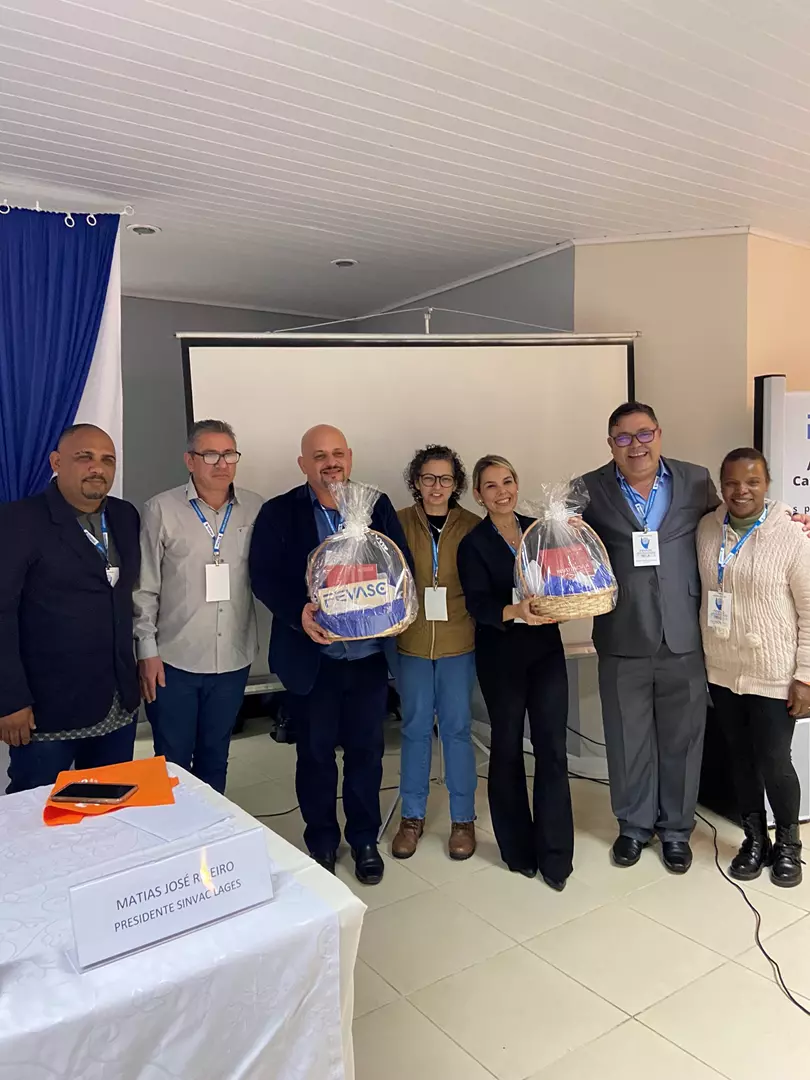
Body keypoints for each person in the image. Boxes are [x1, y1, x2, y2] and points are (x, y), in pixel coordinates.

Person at [249, 425, 412, 885]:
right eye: (319, 455)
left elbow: (401, 566)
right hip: (312, 659)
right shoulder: (279, 512)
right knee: (315, 755)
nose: (330, 462)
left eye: (337, 453)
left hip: (368, 658)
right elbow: (263, 576)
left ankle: (363, 839)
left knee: (367, 753)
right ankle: (321, 840)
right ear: (303, 464)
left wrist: (395, 608)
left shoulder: (375, 505)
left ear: (350, 457)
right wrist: (297, 612)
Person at [581, 402, 720, 874]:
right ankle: (634, 826)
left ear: (659, 434)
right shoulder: (588, 489)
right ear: (610, 444)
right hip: (622, 633)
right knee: (627, 737)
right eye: (623, 437)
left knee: (684, 738)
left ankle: (677, 830)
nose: (635, 445)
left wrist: (783, 521)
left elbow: (729, 527)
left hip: (684, 633)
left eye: (644, 434)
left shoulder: (696, 480)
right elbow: (568, 548)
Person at [0, 424, 141, 792]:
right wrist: (10, 700)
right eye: (85, 457)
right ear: (56, 462)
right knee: (38, 813)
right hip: (47, 711)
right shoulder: (18, 521)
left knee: (109, 809)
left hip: (116, 704)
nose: (98, 468)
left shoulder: (125, 516)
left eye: (108, 460)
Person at [457, 455, 574, 891]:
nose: (501, 491)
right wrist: (516, 610)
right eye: (490, 486)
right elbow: (478, 605)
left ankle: (556, 855)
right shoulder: (472, 544)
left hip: (546, 652)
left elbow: (563, 578)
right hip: (501, 656)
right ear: (478, 495)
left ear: (517, 483)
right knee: (506, 748)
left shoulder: (540, 531)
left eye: (507, 482)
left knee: (553, 749)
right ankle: (517, 849)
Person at [697, 448, 810, 887]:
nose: (741, 491)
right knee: (740, 758)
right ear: (720, 485)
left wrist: (805, 676)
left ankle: (788, 846)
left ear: (767, 484)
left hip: (774, 672)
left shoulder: (792, 535)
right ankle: (755, 839)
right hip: (723, 669)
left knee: (774, 760)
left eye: (752, 482)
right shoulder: (707, 529)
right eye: (731, 482)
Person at [133, 420, 263, 795]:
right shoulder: (161, 509)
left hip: (233, 657)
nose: (222, 464)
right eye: (210, 455)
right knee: (172, 760)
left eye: (229, 454)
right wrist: (146, 651)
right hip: (174, 661)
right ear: (190, 460)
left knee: (216, 756)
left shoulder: (255, 508)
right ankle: (174, 828)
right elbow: (144, 588)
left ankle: (211, 826)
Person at [392, 445, 480, 860]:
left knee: (457, 730)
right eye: (428, 478)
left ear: (456, 483)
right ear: (416, 482)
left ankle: (463, 819)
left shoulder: (473, 527)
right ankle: (412, 817)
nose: (436, 487)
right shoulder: (396, 523)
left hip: (458, 643)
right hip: (411, 644)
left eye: (445, 479)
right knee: (414, 729)